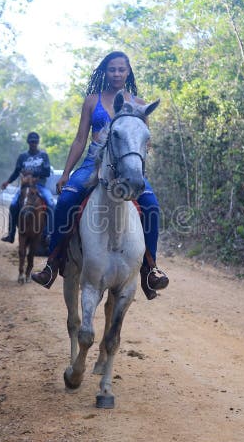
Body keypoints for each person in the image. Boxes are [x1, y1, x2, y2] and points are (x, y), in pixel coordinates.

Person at [30, 51, 169, 300]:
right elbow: (80, 139)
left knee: (151, 206)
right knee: (65, 201)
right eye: (112, 69)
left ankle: (151, 268)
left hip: (126, 166)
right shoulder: (92, 101)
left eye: (121, 69)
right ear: (105, 72)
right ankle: (52, 262)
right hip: (93, 163)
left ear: (128, 72)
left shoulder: (139, 104)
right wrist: (67, 172)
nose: (117, 73)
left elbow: (145, 142)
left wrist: (134, 158)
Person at [0, 132, 55, 243]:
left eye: (35, 142)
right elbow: (16, 172)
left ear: (38, 142)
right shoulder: (22, 157)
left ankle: (48, 234)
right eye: (31, 142)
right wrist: (8, 182)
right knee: (14, 205)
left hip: (39, 186)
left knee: (51, 203)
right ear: (28, 143)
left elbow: (47, 172)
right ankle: (11, 234)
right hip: (25, 187)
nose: (33, 144)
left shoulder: (43, 155)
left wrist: (33, 172)